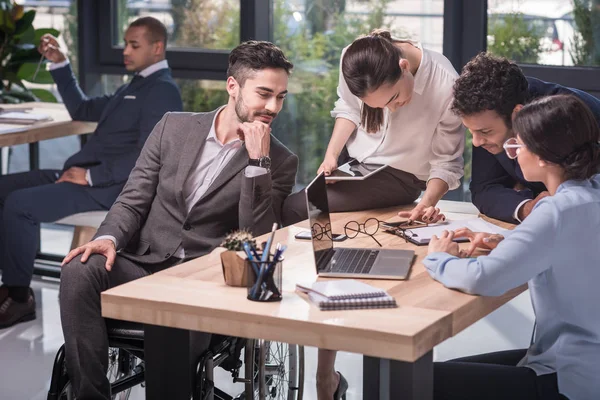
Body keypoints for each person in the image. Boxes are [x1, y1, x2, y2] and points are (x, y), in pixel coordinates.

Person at [57, 40, 298, 400]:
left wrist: (257, 163)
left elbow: (257, 238)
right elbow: (134, 198)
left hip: (204, 282)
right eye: (264, 93)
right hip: (145, 263)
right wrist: (107, 238)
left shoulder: (278, 160)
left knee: (173, 343)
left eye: (281, 97)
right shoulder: (173, 127)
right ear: (233, 86)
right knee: (79, 267)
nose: (272, 106)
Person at [294, 29, 465, 400]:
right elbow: (347, 110)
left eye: (393, 98)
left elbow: (447, 162)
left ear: (404, 67)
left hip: (404, 178)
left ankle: (328, 377)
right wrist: (330, 157)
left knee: (299, 209)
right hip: (357, 168)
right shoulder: (355, 59)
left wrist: (427, 202)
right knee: (327, 251)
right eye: (380, 104)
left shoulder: (446, 84)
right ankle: (328, 374)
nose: (389, 108)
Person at [0, 16, 183, 328]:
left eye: (133, 45)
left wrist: (90, 177)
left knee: (20, 205)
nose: (125, 50)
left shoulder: (162, 91)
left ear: (157, 48)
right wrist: (61, 64)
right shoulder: (135, 86)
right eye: (125, 43)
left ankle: (18, 297)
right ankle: (10, 279)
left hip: (106, 188)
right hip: (81, 174)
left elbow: (150, 154)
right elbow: (83, 110)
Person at [425, 94, 600, 400]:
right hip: (590, 366)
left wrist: (440, 258)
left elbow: (484, 278)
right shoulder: (591, 193)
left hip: (568, 378)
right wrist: (509, 245)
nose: (514, 153)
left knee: (422, 382)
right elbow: (574, 250)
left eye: (518, 145)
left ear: (543, 156)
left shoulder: (555, 211)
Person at [451, 52, 600, 223]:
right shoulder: (488, 118)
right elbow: (484, 189)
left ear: (517, 113)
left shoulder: (572, 114)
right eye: (471, 131)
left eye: (485, 132)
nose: (476, 142)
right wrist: (527, 207)